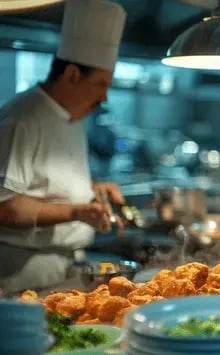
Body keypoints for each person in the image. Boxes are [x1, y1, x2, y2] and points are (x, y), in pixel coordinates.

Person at [0, 0, 127, 293]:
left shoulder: (72, 114)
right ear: (72, 74)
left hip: (66, 267)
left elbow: (47, 182)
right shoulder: (23, 118)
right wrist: (77, 212)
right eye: (101, 84)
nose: (105, 98)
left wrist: (94, 188)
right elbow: (6, 205)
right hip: (23, 273)